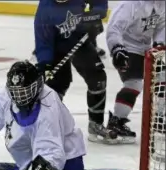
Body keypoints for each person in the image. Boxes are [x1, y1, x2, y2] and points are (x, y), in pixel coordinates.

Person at [34, 0, 117, 144]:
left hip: (79, 39)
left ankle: (95, 125)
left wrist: (95, 15)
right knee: (57, 85)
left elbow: (100, 3)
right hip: (57, 46)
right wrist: (45, 64)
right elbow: (43, 41)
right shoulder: (45, 9)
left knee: (98, 78)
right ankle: (49, 127)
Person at [106, 0, 165, 143]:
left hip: (146, 50)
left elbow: (162, 25)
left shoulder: (162, 4)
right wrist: (117, 49)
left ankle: (159, 117)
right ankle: (116, 121)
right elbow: (114, 28)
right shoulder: (130, 4)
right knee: (134, 83)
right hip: (127, 47)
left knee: (162, 78)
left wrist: (159, 43)